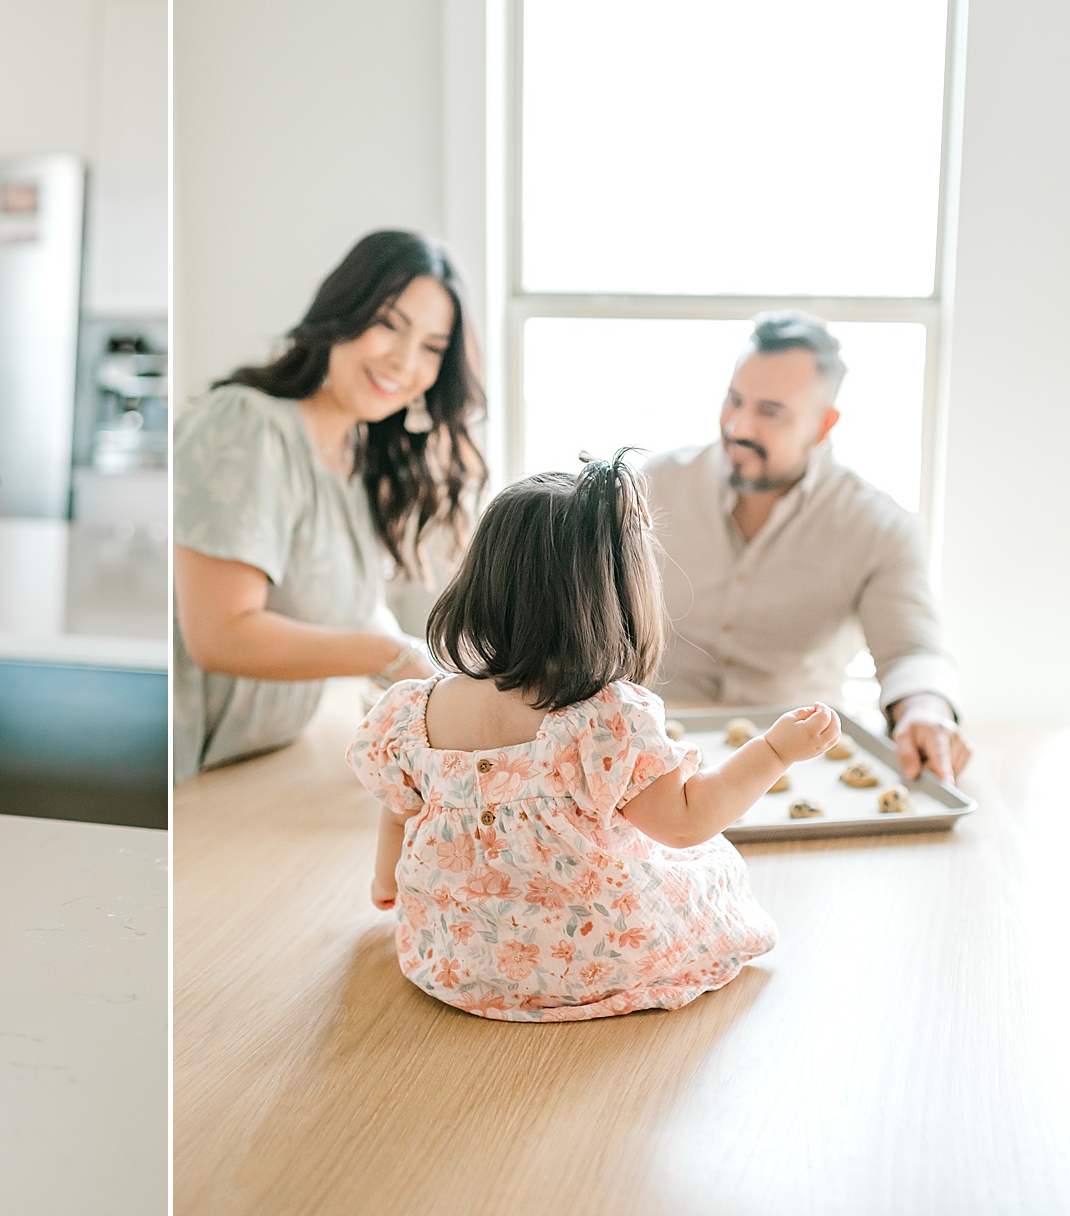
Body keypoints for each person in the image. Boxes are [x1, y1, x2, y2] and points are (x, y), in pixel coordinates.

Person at [349, 455, 828, 1021]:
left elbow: (398, 813)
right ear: (614, 601)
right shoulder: (605, 719)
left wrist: (388, 883)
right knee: (708, 868)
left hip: (458, 961)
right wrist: (774, 751)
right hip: (592, 959)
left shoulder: (413, 710)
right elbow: (686, 822)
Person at [174, 231, 487, 780]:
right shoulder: (247, 425)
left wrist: (452, 671)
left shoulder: (359, 458)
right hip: (188, 773)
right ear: (343, 309)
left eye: (433, 348)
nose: (405, 361)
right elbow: (219, 634)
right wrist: (389, 656)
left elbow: (357, 613)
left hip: (262, 765)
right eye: (389, 324)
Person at [644, 313, 970, 784]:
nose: (738, 426)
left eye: (770, 412)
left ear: (824, 425)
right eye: (734, 400)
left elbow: (912, 654)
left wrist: (925, 709)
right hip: (652, 762)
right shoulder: (650, 487)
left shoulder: (879, 527)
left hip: (802, 771)